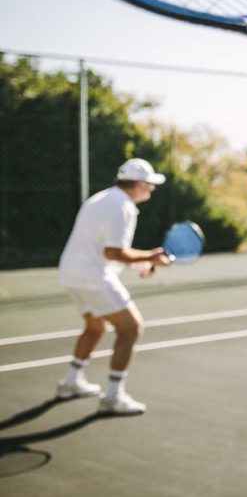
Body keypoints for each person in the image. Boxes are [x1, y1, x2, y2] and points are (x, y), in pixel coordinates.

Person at [56, 158, 171, 415]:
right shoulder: (123, 206)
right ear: (139, 184)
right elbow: (113, 252)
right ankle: (113, 397)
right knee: (131, 329)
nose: (151, 189)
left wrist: (141, 264)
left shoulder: (100, 199)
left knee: (95, 327)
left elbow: (102, 248)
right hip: (93, 277)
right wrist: (150, 257)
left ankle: (70, 382)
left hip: (71, 274)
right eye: (149, 185)